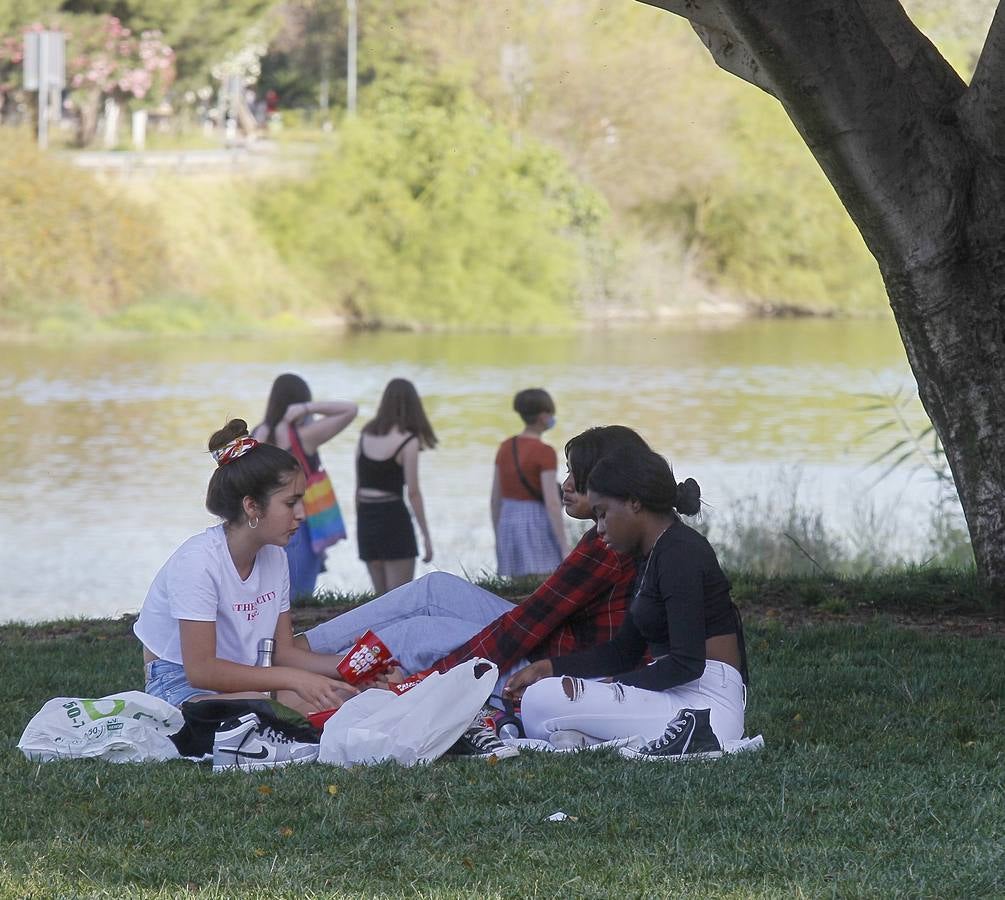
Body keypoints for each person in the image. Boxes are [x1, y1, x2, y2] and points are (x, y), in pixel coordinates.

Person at [301, 426, 651, 707]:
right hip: (555, 645)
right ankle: (301, 648)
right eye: (570, 472)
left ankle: (309, 668)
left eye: (581, 477)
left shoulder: (608, 546)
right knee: (435, 588)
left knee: (419, 634)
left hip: (560, 668)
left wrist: (425, 681)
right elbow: (534, 617)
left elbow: (526, 625)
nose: (567, 485)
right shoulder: (612, 534)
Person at [504, 446, 750, 761]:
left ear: (634, 503)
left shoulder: (681, 553)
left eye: (603, 514)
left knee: (541, 701)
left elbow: (688, 663)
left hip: (708, 706)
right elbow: (622, 652)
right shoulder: (649, 557)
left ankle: (680, 737)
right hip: (674, 693)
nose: (600, 529)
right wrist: (549, 668)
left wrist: (610, 687)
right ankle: (589, 740)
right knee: (541, 697)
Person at [134, 419, 359, 719]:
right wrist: (292, 679)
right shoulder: (198, 562)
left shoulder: (275, 557)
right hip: (180, 686)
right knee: (264, 708)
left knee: (347, 695)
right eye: (291, 503)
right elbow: (201, 670)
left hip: (248, 679)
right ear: (252, 507)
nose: (302, 514)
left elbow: (283, 653)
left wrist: (355, 666)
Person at [251, 373, 358, 601]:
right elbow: (350, 410)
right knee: (298, 600)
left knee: (267, 598)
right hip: (298, 526)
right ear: (297, 402)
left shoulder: (256, 435)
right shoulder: (302, 436)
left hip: (261, 527)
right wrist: (308, 408)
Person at [356, 378, 437, 595]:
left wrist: (362, 525)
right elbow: (413, 492)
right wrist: (426, 537)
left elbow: (358, 488)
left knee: (380, 599)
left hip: (366, 518)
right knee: (400, 599)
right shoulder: (408, 441)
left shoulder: (366, 434)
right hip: (393, 518)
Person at [492, 388, 569, 577]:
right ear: (543, 416)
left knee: (518, 582)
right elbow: (552, 501)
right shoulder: (545, 452)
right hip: (535, 520)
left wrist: (498, 534)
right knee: (545, 579)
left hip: (508, 519)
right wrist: (564, 545)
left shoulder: (505, 447)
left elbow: (495, 499)